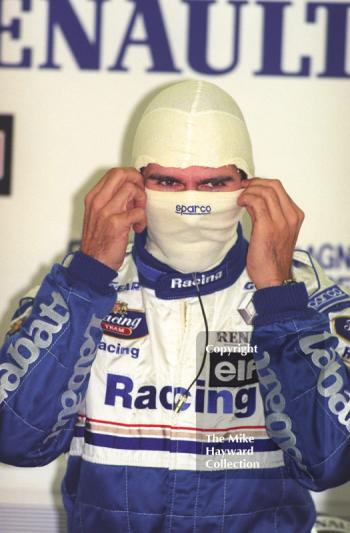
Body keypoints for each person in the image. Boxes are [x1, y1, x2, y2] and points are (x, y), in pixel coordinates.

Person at [0, 80, 350, 533]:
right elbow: (15, 439)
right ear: (135, 184)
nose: (190, 200)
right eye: (167, 181)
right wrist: (87, 279)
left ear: (248, 185)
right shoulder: (80, 286)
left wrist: (279, 302)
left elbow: (332, 463)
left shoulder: (300, 291)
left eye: (213, 183)